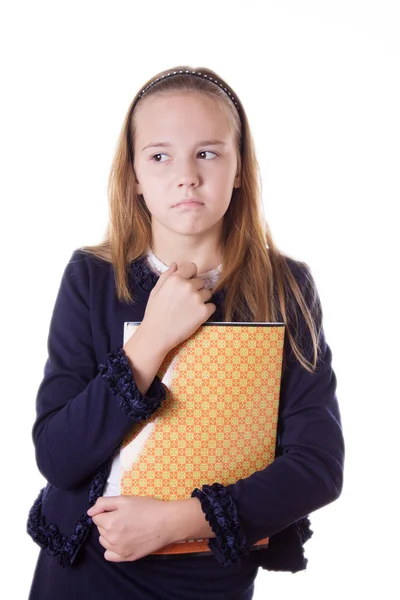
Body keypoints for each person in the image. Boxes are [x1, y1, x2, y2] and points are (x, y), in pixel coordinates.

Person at [27, 65, 344, 600]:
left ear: (239, 167)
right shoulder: (91, 277)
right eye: (160, 156)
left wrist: (176, 521)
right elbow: (58, 457)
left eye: (208, 152)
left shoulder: (286, 287)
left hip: (209, 581)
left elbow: (317, 467)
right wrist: (151, 339)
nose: (186, 175)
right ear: (133, 176)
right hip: (84, 573)